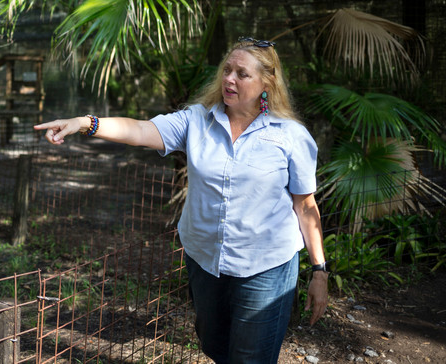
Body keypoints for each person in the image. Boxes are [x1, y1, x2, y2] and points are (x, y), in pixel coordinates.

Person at [34, 36, 328, 364]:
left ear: (267, 83)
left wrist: (320, 271)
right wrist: (86, 123)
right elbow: (140, 130)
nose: (229, 78)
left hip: (265, 267)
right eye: (227, 70)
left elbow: (305, 206)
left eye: (242, 74)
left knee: (251, 358)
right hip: (205, 262)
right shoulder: (196, 121)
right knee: (214, 346)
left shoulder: (290, 136)